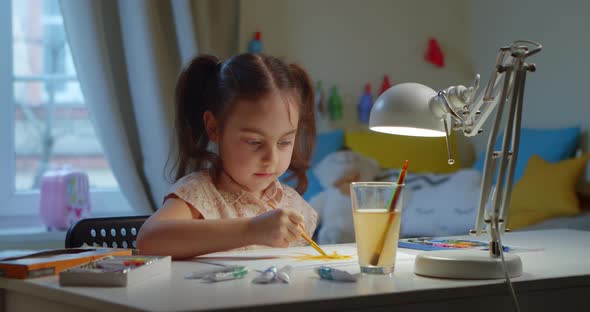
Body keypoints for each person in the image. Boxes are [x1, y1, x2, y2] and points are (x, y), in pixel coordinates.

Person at [137, 53, 318, 259]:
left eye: (284, 142)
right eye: (254, 142)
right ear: (214, 128)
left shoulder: (293, 204)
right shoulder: (199, 194)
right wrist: (251, 230)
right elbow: (148, 240)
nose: (272, 159)